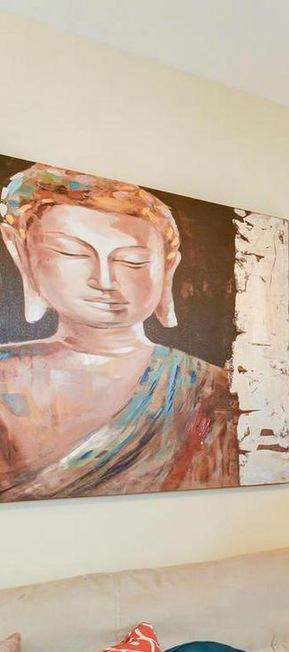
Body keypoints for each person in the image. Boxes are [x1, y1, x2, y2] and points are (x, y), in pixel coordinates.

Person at [0, 163, 238, 500]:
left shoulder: (210, 390)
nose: (105, 281)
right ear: (24, 256)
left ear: (167, 269)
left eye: (132, 261)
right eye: (72, 253)